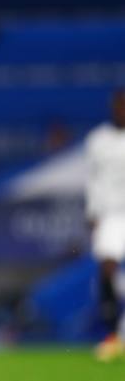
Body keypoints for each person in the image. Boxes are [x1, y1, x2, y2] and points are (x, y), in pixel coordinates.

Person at [86, 88, 125, 361]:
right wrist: (92, 214)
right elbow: (92, 180)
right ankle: (112, 336)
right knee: (107, 269)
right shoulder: (98, 139)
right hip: (111, 214)